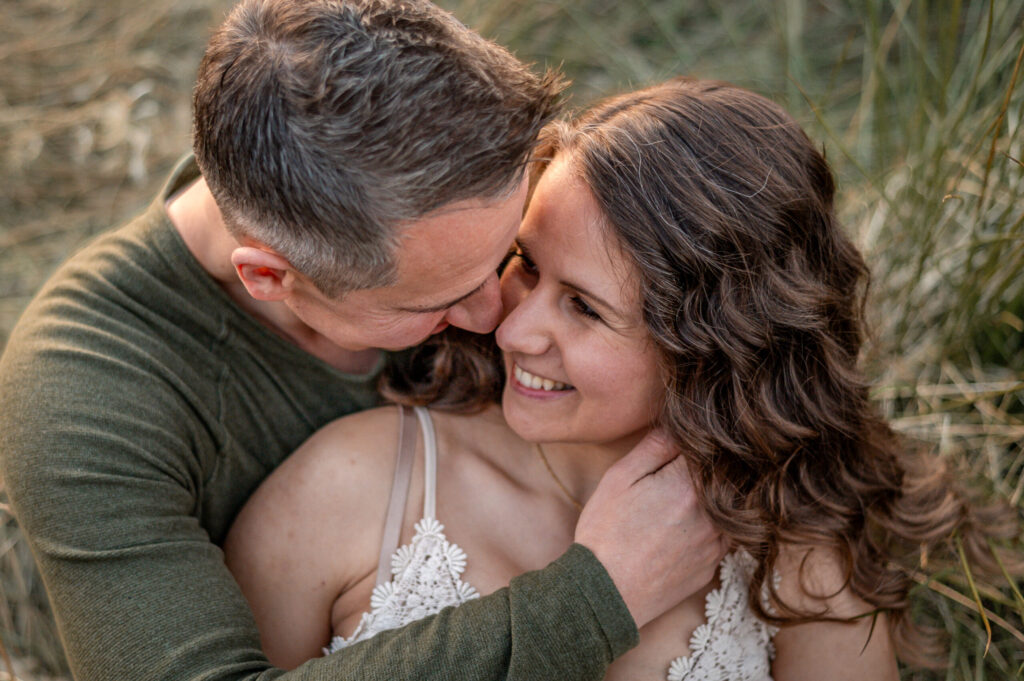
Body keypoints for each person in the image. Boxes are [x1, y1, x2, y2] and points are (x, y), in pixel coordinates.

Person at [0, 2, 724, 680]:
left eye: (516, 253)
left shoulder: (438, 186)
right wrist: (596, 599)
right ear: (269, 277)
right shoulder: (81, 397)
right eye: (440, 299)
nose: (498, 317)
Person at [225, 77, 1020, 680]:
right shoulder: (343, 489)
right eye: (525, 267)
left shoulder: (795, 547)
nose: (512, 326)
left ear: (711, 346)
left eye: (585, 308)